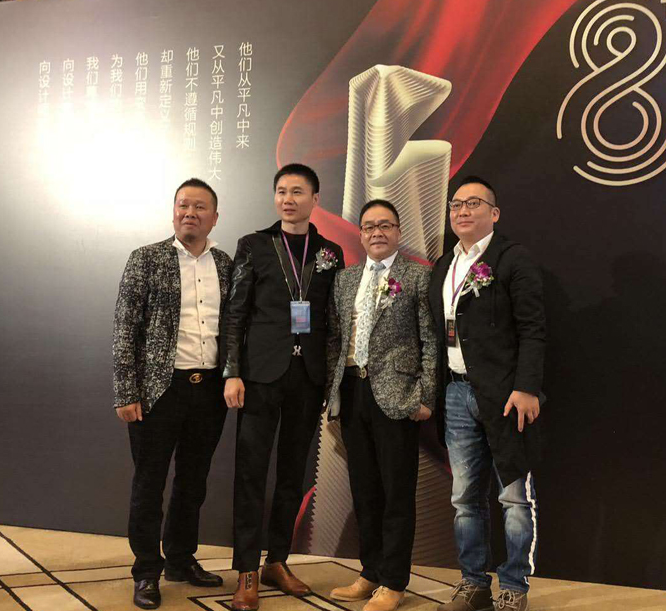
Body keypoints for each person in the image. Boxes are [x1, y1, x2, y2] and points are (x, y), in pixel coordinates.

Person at [221, 163, 346, 611]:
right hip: (259, 375)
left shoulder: (330, 251)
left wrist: (331, 382)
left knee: (293, 473)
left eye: (297, 191)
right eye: (281, 191)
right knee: (251, 473)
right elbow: (236, 311)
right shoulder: (254, 245)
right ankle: (247, 570)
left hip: (307, 377)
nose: (288, 199)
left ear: (315, 199)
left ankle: (277, 560)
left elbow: (333, 321)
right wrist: (232, 371)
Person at [113, 179, 234, 609]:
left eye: (200, 207)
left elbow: (233, 327)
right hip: (158, 392)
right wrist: (126, 391)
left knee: (193, 482)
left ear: (214, 217)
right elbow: (125, 328)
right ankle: (146, 570)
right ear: (173, 211)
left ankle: (181, 560)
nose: (190, 213)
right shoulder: (146, 258)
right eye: (183, 205)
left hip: (209, 391)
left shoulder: (225, 263)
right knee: (149, 484)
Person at [428, 176, 546, 611]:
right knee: (464, 497)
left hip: (505, 397)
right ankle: (473, 583)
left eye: (473, 203)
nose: (462, 211)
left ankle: (514, 586)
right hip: (456, 393)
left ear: (494, 213)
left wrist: (526, 387)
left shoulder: (513, 258)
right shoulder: (443, 265)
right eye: (456, 204)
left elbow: (533, 328)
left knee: (513, 496)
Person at [324, 199, 438, 611]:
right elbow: (335, 339)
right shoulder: (345, 279)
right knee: (364, 490)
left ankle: (394, 581)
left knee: (396, 493)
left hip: (398, 397)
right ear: (360, 234)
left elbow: (431, 340)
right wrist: (332, 392)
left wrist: (426, 396)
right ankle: (370, 572)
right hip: (352, 392)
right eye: (369, 226)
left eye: (385, 225)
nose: (377, 232)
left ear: (398, 232)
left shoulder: (418, 276)